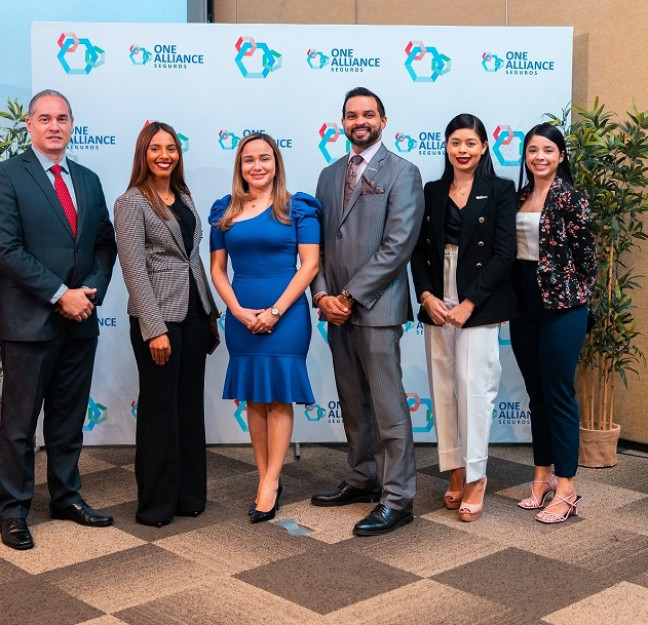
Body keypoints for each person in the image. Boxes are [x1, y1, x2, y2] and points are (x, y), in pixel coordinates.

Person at [0, 89, 117, 549]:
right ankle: (14, 511)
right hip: (29, 321)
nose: (53, 125)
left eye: (61, 118)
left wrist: (88, 294)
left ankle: (66, 497)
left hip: (81, 319)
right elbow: (4, 248)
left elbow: (103, 243)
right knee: (20, 425)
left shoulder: (89, 178)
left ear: (71, 123)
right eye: (44, 118)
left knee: (68, 419)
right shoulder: (3, 176)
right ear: (29, 124)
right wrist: (61, 295)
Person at [310, 87, 424, 536]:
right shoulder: (327, 174)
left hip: (376, 307)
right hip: (335, 310)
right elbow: (315, 244)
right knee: (353, 403)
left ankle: (397, 498)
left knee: (388, 405)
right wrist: (322, 296)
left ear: (383, 119)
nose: (360, 120)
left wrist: (350, 296)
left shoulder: (402, 172)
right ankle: (363, 477)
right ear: (342, 122)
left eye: (368, 114)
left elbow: (398, 246)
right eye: (352, 115)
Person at [209, 133, 320, 524]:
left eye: (265, 158)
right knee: (254, 398)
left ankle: (272, 482)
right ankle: (264, 477)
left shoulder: (298, 208)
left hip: (286, 316)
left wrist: (274, 311)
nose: (257, 166)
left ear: (276, 163)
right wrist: (236, 310)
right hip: (240, 314)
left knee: (279, 398)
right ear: (239, 166)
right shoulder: (224, 211)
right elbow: (218, 270)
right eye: (249, 160)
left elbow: (309, 265)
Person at [410, 113, 517, 522]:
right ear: (447, 146)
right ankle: (455, 469)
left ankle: (476, 477)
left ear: (484, 146)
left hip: (480, 302)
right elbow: (418, 249)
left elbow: (504, 253)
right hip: (438, 298)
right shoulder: (433, 190)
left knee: (474, 388)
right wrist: (426, 296)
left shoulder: (500, 190)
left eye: (470, 143)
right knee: (444, 389)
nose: (462, 150)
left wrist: (470, 303)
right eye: (455, 142)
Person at [114, 122, 220, 527]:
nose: (164, 154)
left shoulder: (185, 196)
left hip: (194, 315)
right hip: (158, 318)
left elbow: (191, 258)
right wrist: (154, 328)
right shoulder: (131, 202)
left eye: (171, 148)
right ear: (144, 153)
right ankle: (156, 505)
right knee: (160, 411)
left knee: (189, 407)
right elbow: (134, 269)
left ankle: (189, 496)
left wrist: (208, 312)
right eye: (156, 148)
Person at [510, 122, 596, 523]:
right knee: (536, 393)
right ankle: (542, 475)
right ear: (525, 157)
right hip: (523, 302)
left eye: (547, 150)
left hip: (563, 306)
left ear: (561, 156)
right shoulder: (519, 197)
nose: (539, 157)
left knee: (558, 392)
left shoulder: (571, 199)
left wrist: (572, 297)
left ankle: (566, 486)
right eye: (532, 150)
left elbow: (587, 263)